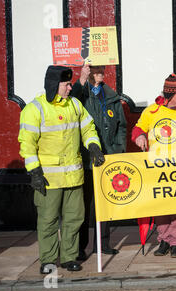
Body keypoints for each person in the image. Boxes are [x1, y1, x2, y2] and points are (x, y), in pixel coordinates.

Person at [18, 65, 105, 274]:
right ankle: (47, 260)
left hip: (74, 176)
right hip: (48, 178)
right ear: (54, 85)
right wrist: (34, 172)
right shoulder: (34, 109)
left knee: (74, 218)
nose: (69, 88)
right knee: (48, 220)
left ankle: (68, 257)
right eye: (66, 85)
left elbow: (88, 128)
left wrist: (93, 145)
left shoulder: (74, 105)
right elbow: (27, 143)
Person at [131, 74, 176, 258]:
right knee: (160, 205)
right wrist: (138, 136)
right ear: (169, 94)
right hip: (157, 167)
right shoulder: (152, 111)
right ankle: (164, 239)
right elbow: (139, 128)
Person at [70, 65, 127, 260]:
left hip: (107, 158)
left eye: (102, 69)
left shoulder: (110, 96)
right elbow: (70, 102)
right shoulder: (81, 93)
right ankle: (79, 248)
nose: (100, 73)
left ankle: (102, 244)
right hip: (86, 158)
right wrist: (81, 80)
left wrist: (117, 149)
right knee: (83, 206)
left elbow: (121, 125)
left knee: (104, 204)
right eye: (96, 70)